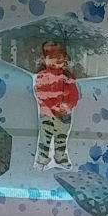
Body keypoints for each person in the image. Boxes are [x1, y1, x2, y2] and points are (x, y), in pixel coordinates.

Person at [32, 42, 79, 170]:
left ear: (65, 59)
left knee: (61, 138)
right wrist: (52, 107)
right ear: (44, 59)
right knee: (45, 137)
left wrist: (68, 105)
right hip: (47, 113)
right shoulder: (42, 75)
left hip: (64, 113)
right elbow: (40, 92)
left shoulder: (68, 77)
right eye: (51, 57)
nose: (55, 60)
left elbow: (73, 93)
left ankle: (60, 157)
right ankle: (42, 159)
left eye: (59, 57)